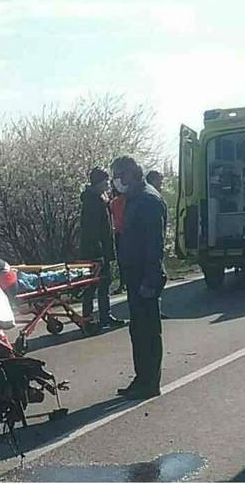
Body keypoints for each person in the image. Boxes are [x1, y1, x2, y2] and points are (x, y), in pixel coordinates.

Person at [111, 156, 168, 400]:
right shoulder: (134, 198)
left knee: (148, 330)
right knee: (138, 329)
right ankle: (142, 377)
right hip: (135, 275)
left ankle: (150, 382)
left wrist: (150, 280)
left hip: (146, 276)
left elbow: (154, 244)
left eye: (119, 175)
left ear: (132, 174)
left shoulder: (148, 199)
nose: (116, 181)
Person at [79, 167, 123, 328]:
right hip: (95, 250)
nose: (107, 183)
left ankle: (101, 316)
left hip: (100, 248)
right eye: (104, 180)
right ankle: (91, 318)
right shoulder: (93, 202)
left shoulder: (98, 199)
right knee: (94, 284)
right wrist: (100, 253)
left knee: (102, 283)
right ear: (97, 182)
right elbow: (92, 230)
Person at [109, 186, 127, 295]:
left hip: (118, 233)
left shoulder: (113, 203)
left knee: (121, 260)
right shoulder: (128, 199)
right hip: (127, 232)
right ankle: (126, 282)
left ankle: (122, 283)